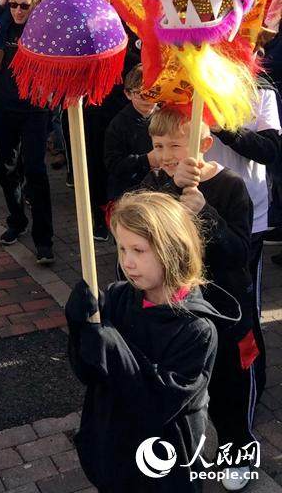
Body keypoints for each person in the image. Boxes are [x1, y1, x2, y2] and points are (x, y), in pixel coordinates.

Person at [66, 190, 234, 493]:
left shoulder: (197, 330)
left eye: (138, 251)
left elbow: (157, 402)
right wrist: (80, 325)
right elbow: (89, 373)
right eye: (121, 249)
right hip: (115, 450)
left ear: (173, 250)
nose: (127, 262)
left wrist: (110, 345)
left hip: (163, 461)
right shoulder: (118, 297)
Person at [143, 106, 258, 489]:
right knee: (181, 389)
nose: (165, 153)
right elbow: (149, 238)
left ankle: (238, 450)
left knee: (229, 390)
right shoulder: (156, 182)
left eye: (176, 144)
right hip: (177, 311)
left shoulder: (231, 186)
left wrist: (204, 212)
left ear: (204, 144)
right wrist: (172, 195)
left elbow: (238, 253)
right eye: (158, 145)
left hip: (223, 309)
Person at [205, 81, 280, 401]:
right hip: (197, 208)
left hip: (248, 216)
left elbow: (269, 150)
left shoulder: (262, 90)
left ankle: (252, 383)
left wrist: (224, 127)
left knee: (244, 304)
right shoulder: (186, 82)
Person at [0, 0, 55, 264]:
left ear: (36, 4)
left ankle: (44, 241)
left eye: (24, 5)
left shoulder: (43, 27)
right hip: (4, 106)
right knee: (6, 170)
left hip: (35, 109)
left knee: (35, 171)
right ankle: (17, 221)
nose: (18, 11)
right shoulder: (1, 22)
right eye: (14, 4)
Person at [103, 64, 158, 201]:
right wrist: (146, 160)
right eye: (139, 93)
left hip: (159, 190)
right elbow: (113, 163)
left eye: (151, 92)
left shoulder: (164, 116)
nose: (146, 99)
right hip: (131, 193)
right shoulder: (119, 125)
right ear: (128, 94)